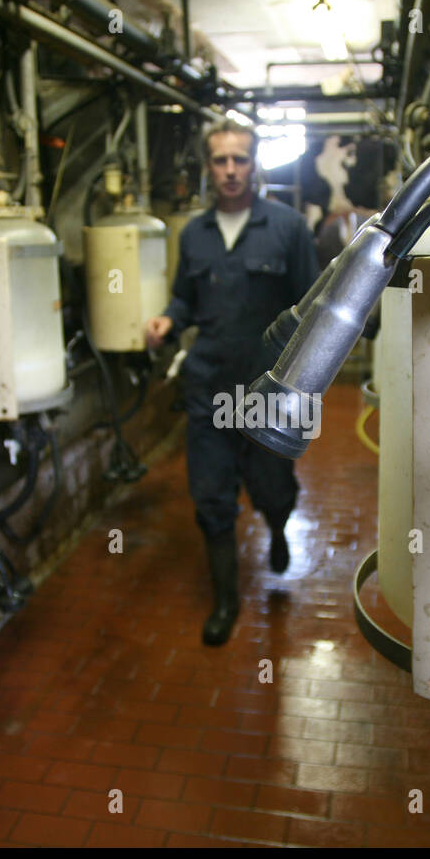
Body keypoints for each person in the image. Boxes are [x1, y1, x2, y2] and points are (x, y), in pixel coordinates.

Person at [145, 118, 320, 646]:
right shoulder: (193, 234)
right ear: (207, 167)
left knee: (272, 487)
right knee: (211, 496)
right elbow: (184, 298)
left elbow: (313, 307)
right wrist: (168, 321)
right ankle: (226, 601)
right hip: (209, 389)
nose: (229, 170)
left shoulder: (287, 228)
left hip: (268, 392)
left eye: (239, 159)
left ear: (255, 163)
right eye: (219, 160)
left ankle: (277, 527)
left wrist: (305, 384)